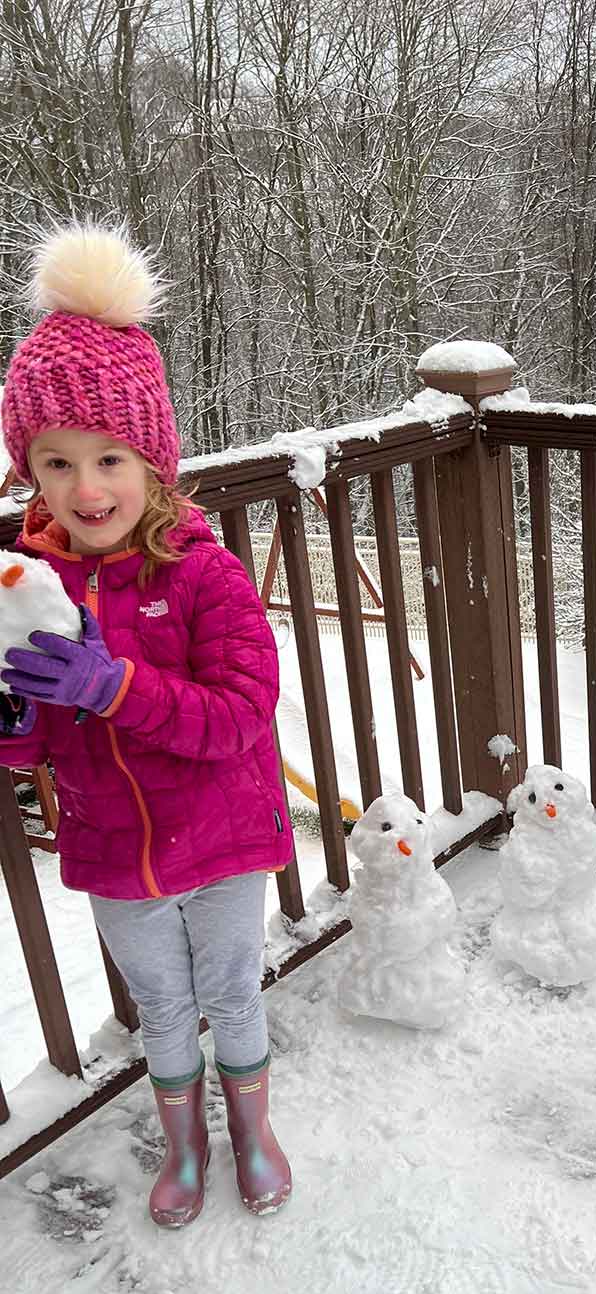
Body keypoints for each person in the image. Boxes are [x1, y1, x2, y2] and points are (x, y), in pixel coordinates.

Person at [0, 225, 295, 1223]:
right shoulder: (29, 590)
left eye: (110, 457)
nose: (87, 488)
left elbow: (243, 712)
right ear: (29, 471)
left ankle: (253, 1129)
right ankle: (185, 1150)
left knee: (232, 995)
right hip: (115, 851)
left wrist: (113, 686)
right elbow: (31, 744)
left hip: (221, 842)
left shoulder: (205, 573)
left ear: (152, 459)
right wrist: (13, 706)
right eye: (57, 461)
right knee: (162, 1009)